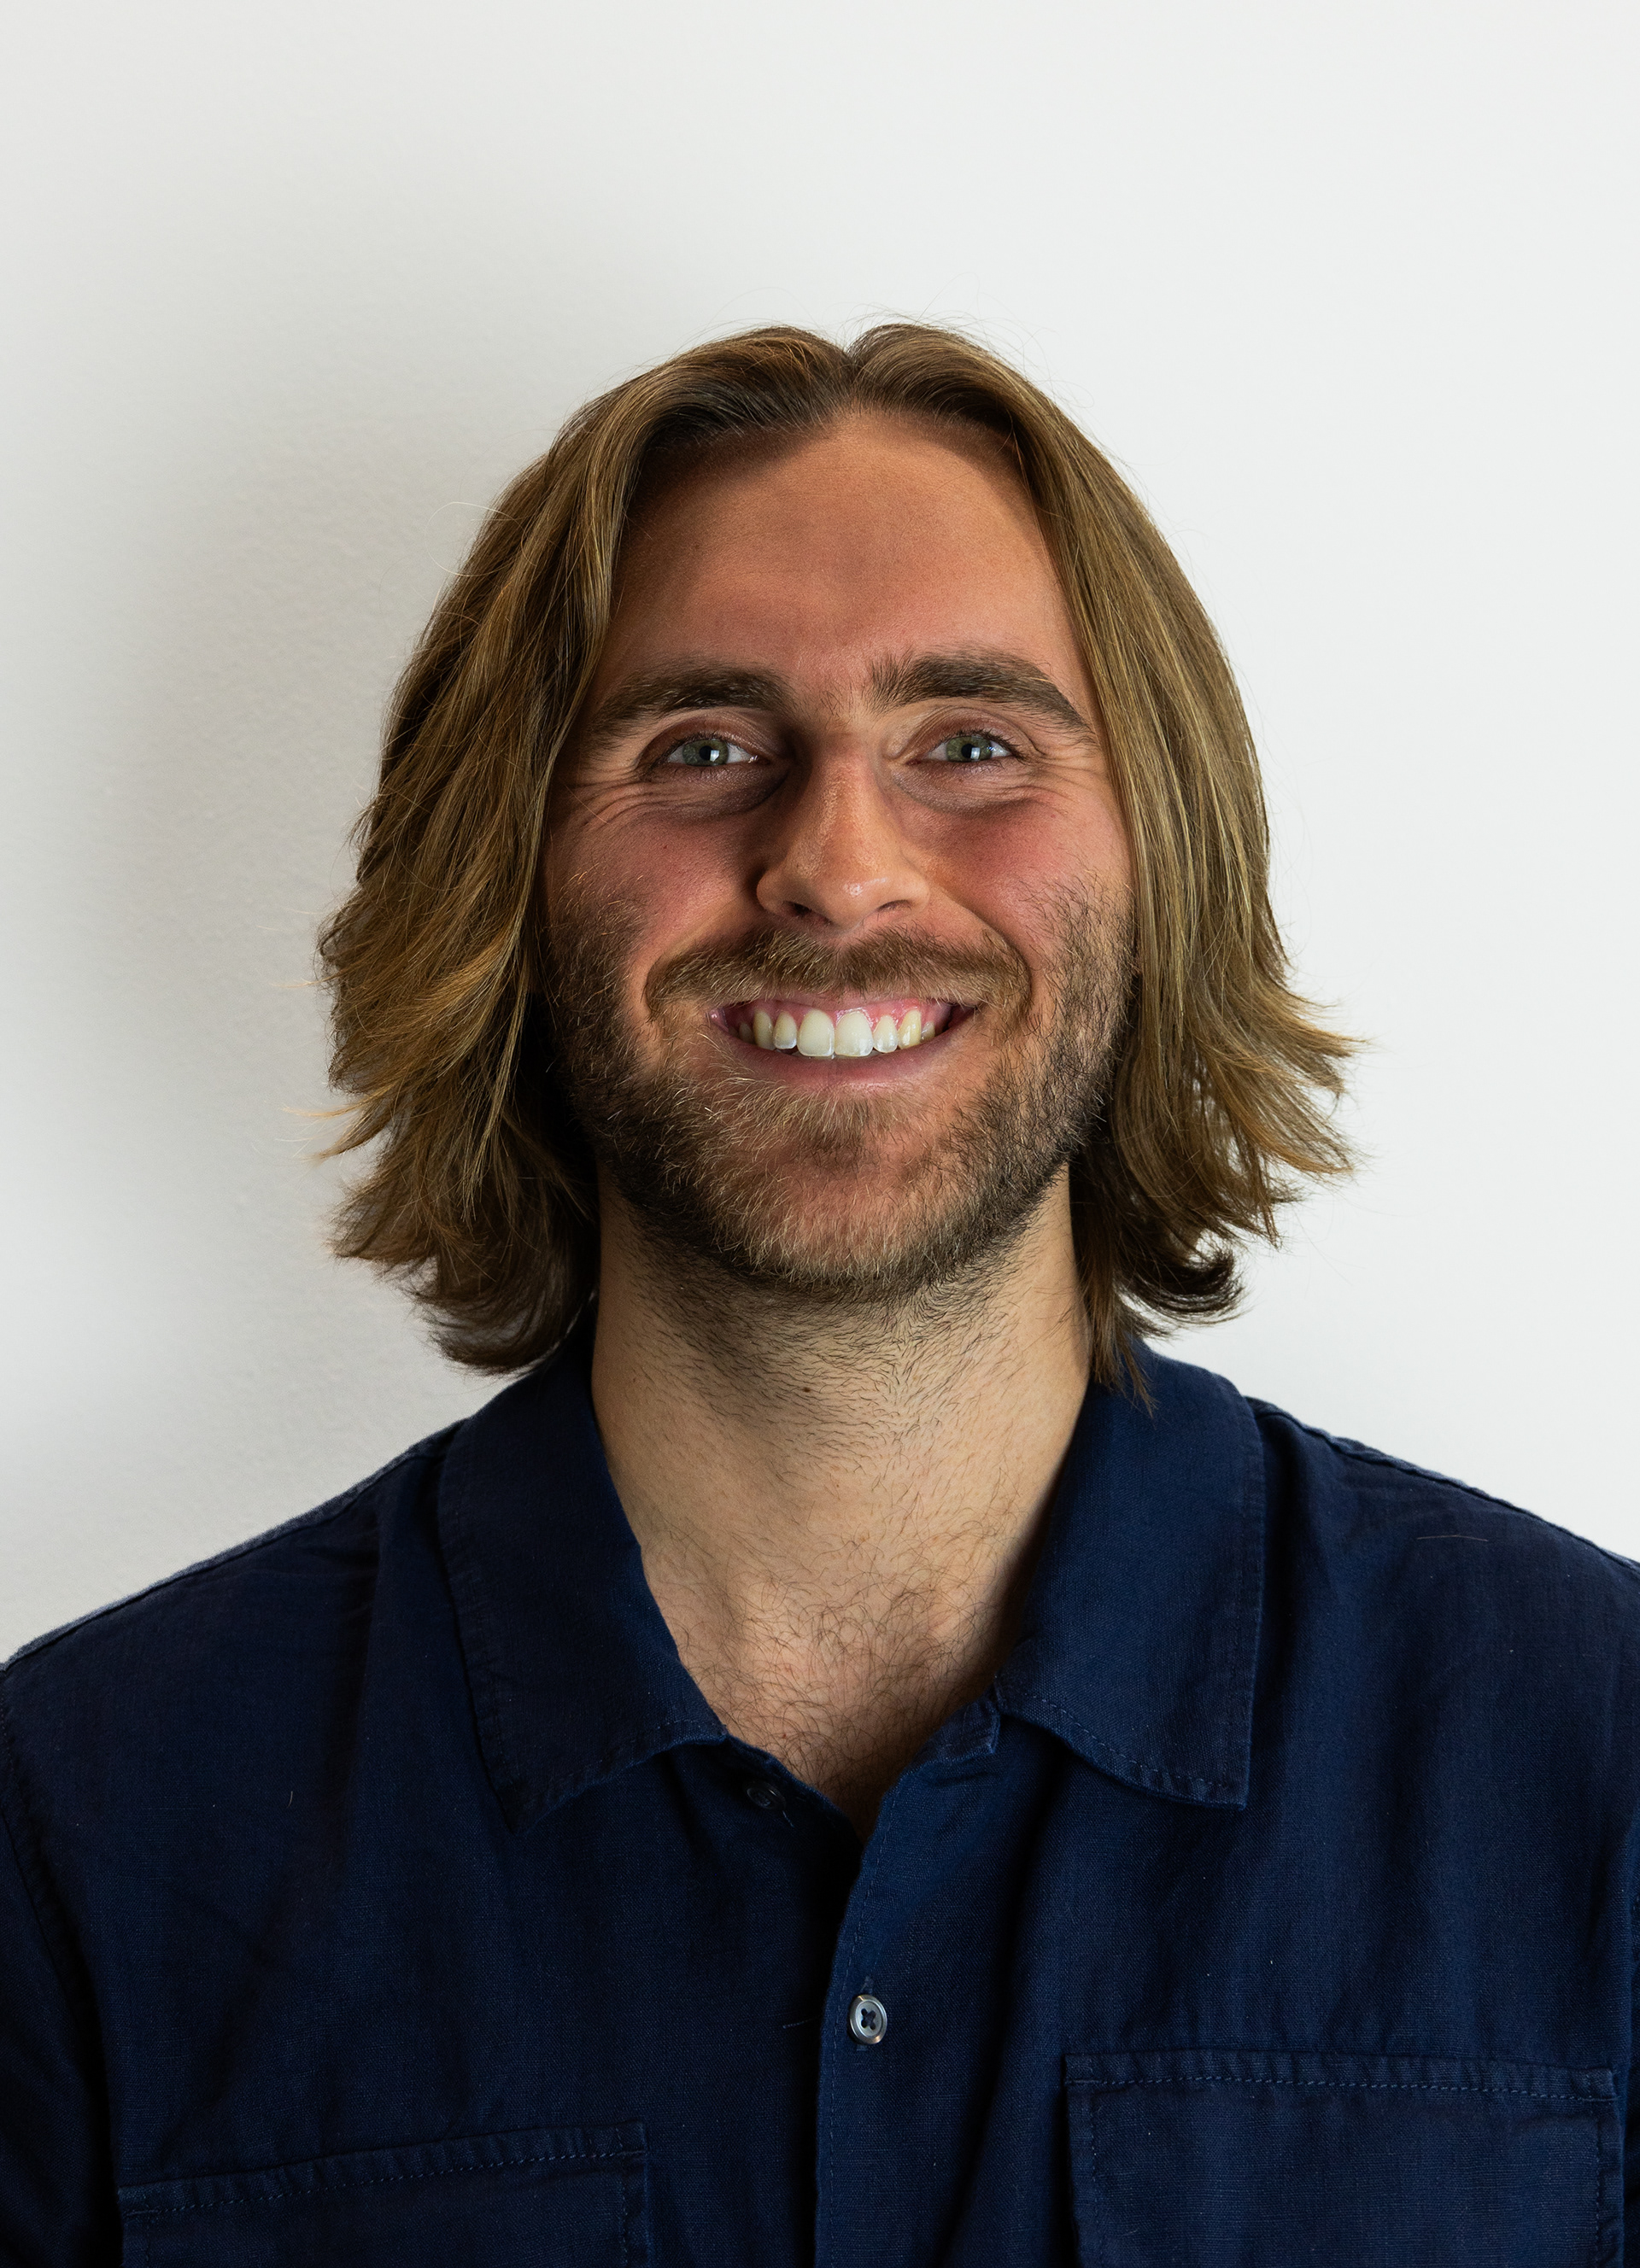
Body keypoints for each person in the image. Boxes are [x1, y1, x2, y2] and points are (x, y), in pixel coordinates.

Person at [2, 325, 1634, 2268]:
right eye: (702, 748)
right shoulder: (85, 1825)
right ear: (507, 880)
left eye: (971, 744)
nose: (840, 869)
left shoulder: (1596, 1754)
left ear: (1164, 856)